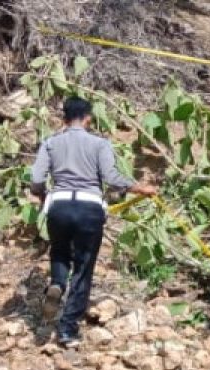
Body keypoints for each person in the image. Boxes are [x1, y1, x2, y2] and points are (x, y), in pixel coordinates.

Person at [30, 96, 157, 347]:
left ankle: (56, 283)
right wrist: (139, 188)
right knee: (83, 267)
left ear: (63, 118)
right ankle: (67, 330)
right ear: (88, 118)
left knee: (59, 251)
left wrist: (42, 194)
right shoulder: (99, 144)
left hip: (60, 204)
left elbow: (36, 177)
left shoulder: (50, 143)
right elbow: (110, 176)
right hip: (89, 208)